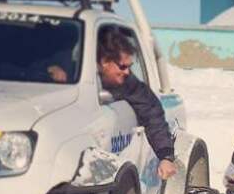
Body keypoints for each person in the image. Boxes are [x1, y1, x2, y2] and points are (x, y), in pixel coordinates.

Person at [50, 26, 177, 180]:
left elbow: (152, 115)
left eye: (129, 66)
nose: (127, 72)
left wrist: (165, 156)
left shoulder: (129, 84)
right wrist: (47, 71)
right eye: (122, 66)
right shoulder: (66, 73)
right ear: (104, 62)